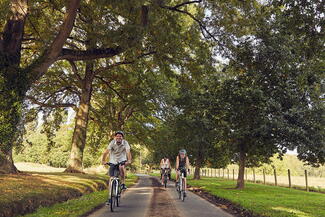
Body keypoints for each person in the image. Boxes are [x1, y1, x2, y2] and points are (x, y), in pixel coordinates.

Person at [101, 131, 132, 204]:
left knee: (121, 167)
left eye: (120, 136)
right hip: (113, 160)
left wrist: (129, 160)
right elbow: (106, 152)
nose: (118, 137)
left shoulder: (125, 143)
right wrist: (103, 160)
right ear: (115, 137)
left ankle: (123, 184)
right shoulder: (112, 143)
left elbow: (128, 152)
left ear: (122, 138)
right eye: (117, 136)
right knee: (111, 179)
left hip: (122, 159)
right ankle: (109, 198)